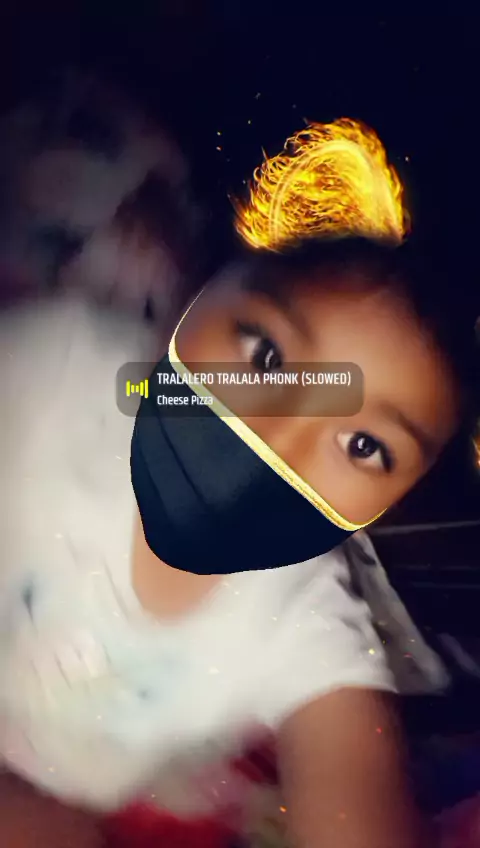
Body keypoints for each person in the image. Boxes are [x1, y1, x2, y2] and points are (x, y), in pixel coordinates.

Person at [0, 118, 477, 848]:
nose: (273, 441)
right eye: (265, 355)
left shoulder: (303, 615)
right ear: (184, 310)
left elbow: (351, 782)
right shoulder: (52, 374)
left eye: (363, 446)